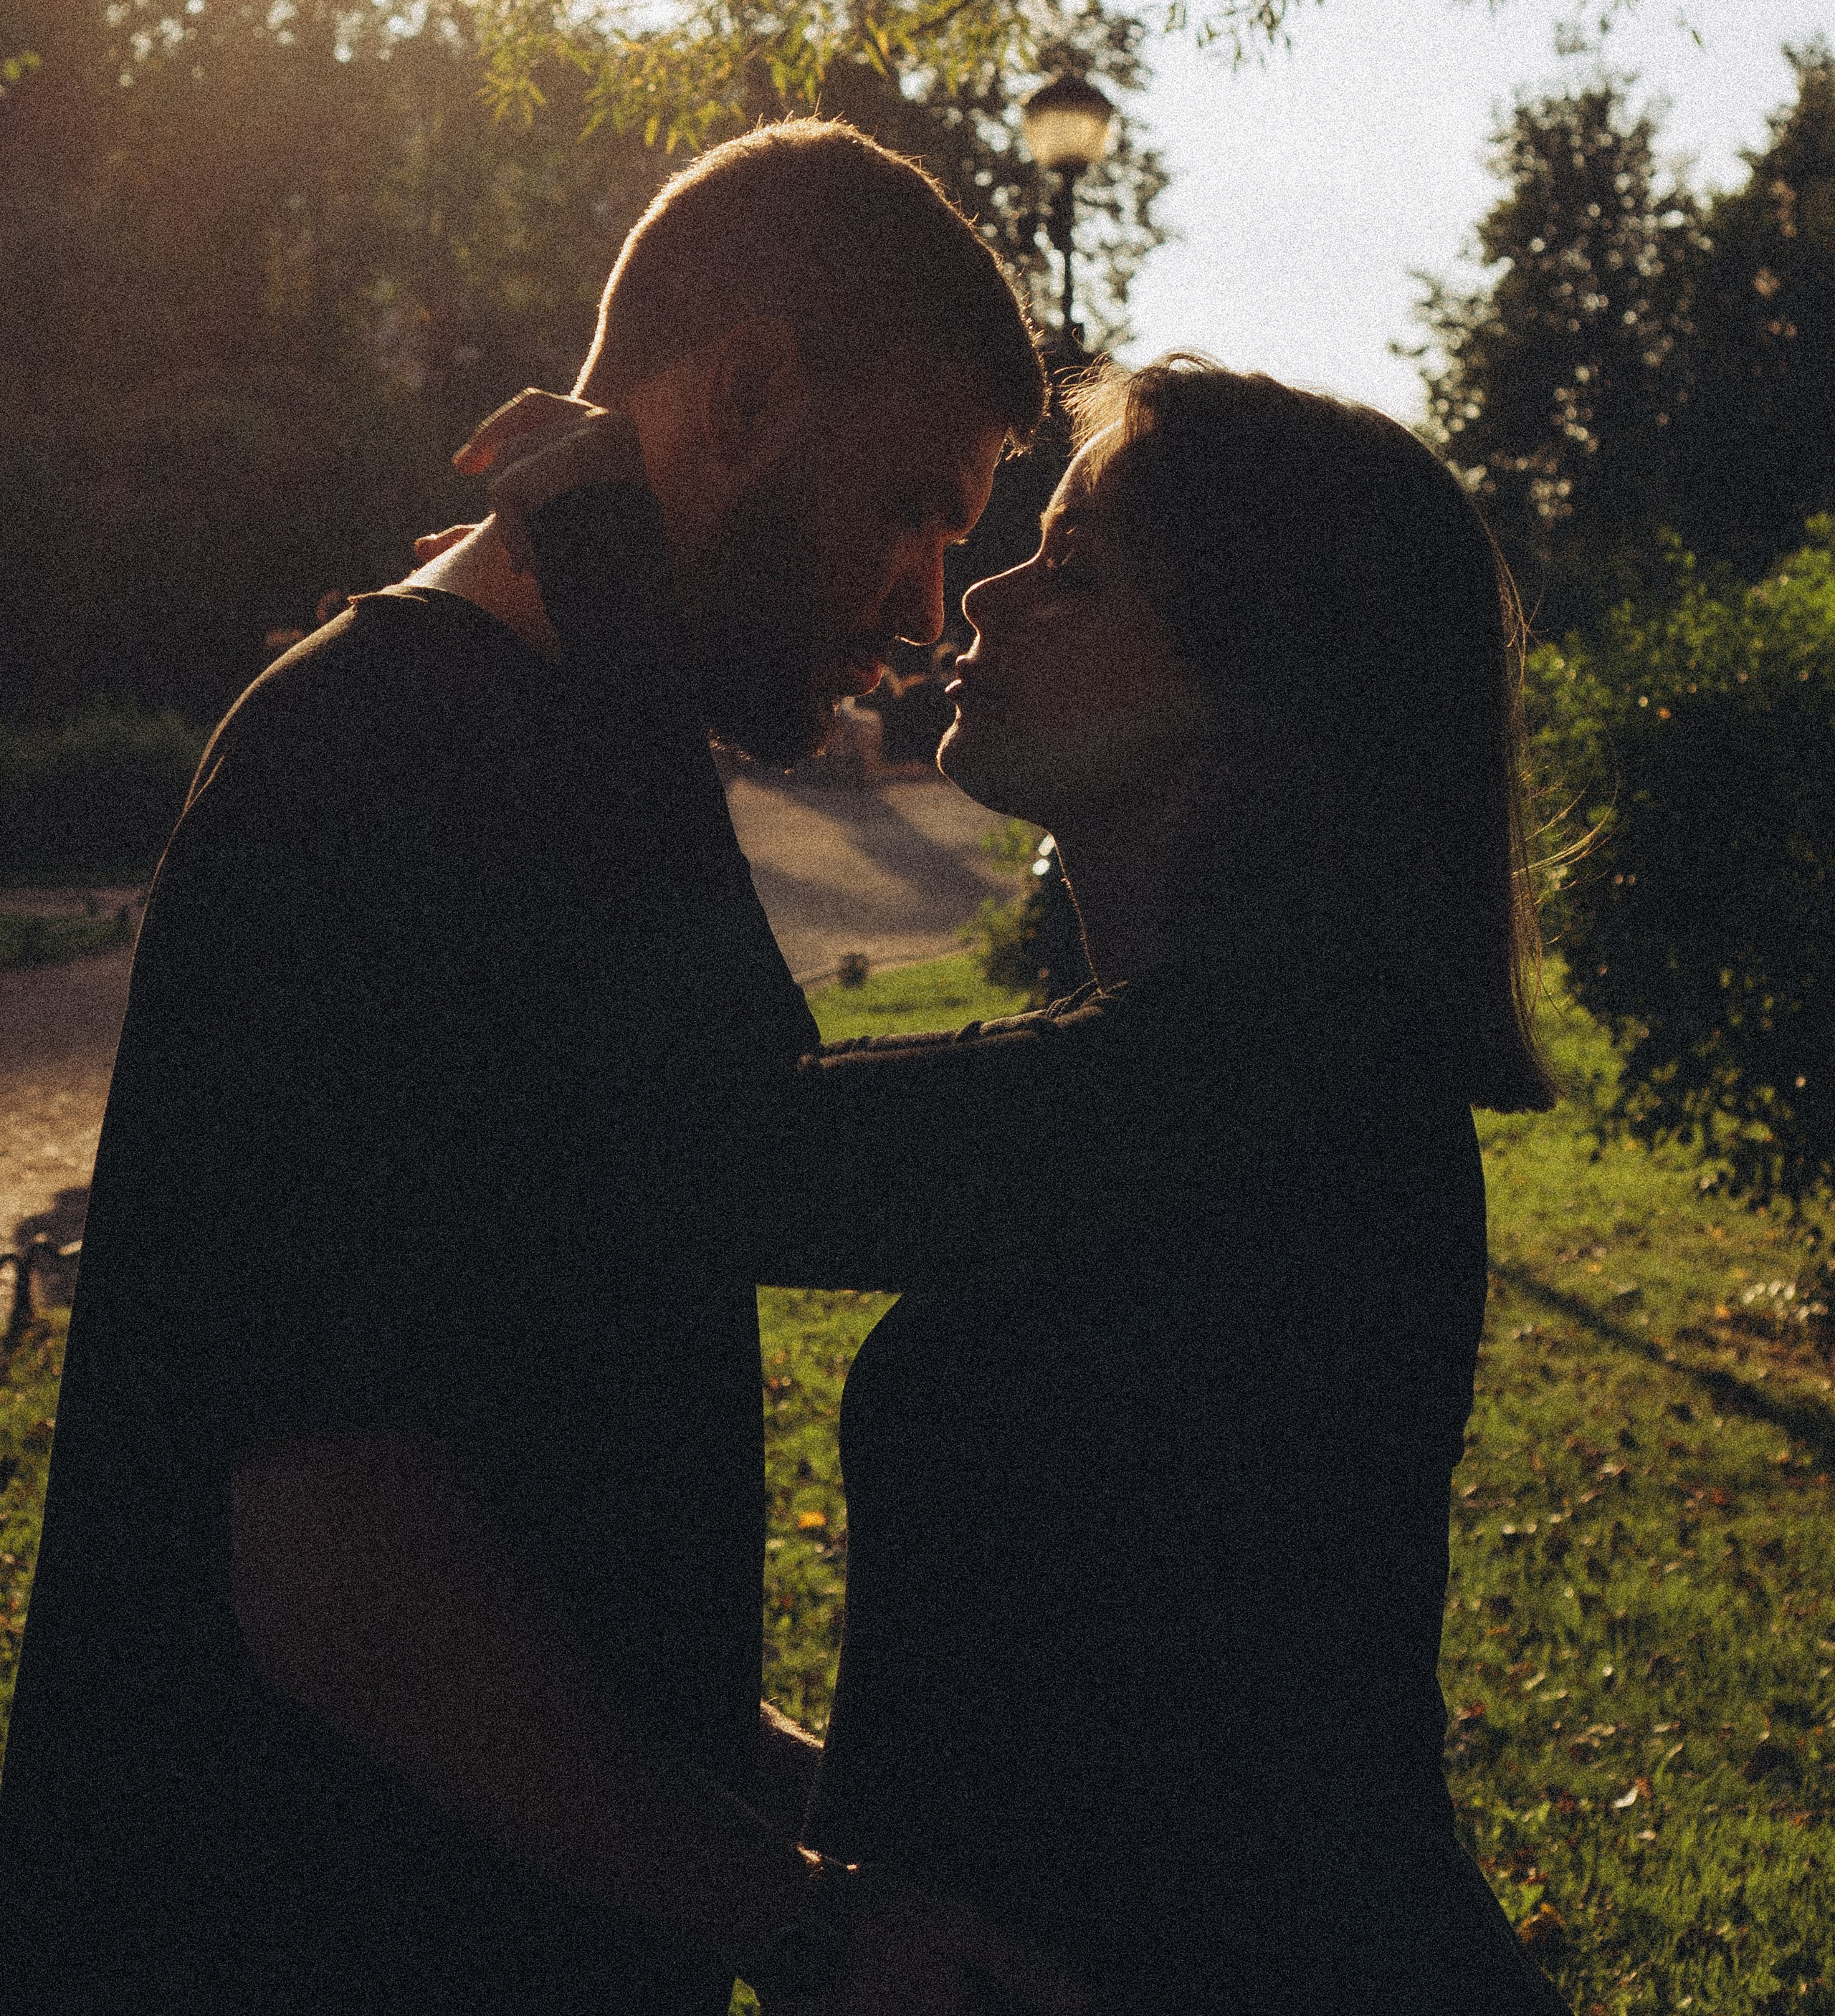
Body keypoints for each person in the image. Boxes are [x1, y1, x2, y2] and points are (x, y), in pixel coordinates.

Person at [0, 120, 1082, 2016]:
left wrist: (841, 1835)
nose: (925, 611)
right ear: (743, 391)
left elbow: (555, 1537)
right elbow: (349, 1576)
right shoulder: (378, 755)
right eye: (916, 502)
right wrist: (810, 1929)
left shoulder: (581, 769)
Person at [783, 355, 1573, 2012]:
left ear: (1256, 685)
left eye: (1071, 574)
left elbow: (738, 1152)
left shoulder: (1284, 1070)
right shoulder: (1210, 1053)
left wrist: (616, 644)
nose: (988, 586)